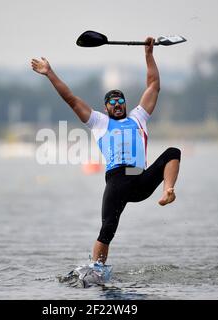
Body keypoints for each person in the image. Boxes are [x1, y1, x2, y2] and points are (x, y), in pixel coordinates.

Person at [31, 37, 181, 266]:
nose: (118, 104)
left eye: (121, 100)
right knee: (107, 230)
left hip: (139, 178)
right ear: (105, 108)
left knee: (173, 152)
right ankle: (97, 271)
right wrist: (50, 73)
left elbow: (153, 85)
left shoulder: (138, 118)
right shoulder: (98, 122)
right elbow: (70, 99)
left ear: (126, 103)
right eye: (112, 102)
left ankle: (168, 190)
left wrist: (149, 55)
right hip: (117, 181)